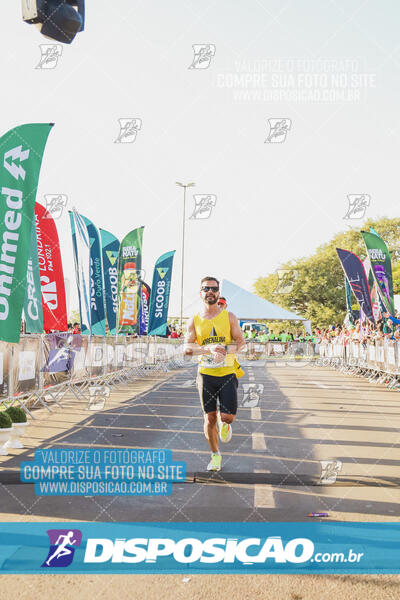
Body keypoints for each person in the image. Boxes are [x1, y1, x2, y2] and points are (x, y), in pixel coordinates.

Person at [184, 277, 246, 472]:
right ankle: (215, 456)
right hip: (206, 375)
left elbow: (241, 343)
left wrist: (225, 351)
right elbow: (187, 348)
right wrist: (208, 350)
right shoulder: (194, 320)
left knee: (227, 417)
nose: (210, 291)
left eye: (214, 288)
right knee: (209, 418)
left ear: (218, 293)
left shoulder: (230, 317)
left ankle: (225, 423)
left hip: (227, 373)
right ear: (201, 293)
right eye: (206, 288)